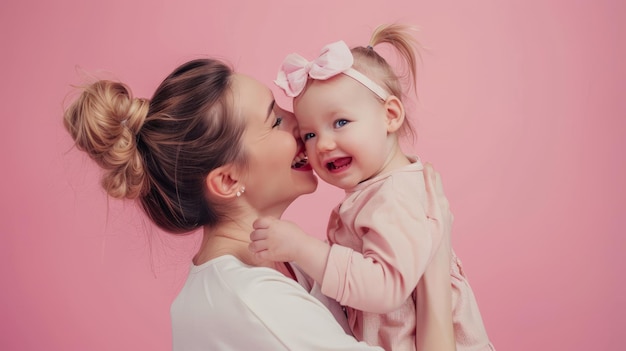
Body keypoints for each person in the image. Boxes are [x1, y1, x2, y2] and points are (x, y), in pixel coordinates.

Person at [63, 57, 455, 350]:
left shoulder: (289, 260)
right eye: (275, 121)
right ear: (229, 179)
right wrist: (433, 261)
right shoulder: (252, 303)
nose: (300, 122)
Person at [249, 24, 495, 351]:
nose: (322, 144)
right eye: (309, 134)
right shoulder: (378, 192)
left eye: (340, 123)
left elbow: (384, 287)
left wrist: (301, 248)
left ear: (390, 115)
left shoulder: (397, 195)